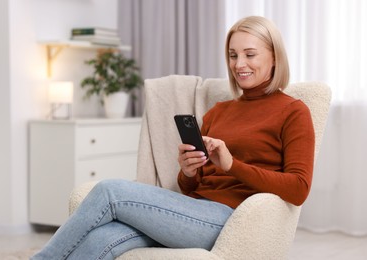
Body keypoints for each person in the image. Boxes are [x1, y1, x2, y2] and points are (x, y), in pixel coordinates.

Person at [32, 16, 314, 260]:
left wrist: (232, 165)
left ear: (274, 56)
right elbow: (192, 188)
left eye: (250, 54)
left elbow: (299, 189)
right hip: (193, 211)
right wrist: (189, 171)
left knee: (109, 191)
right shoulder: (220, 111)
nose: (239, 64)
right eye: (232, 55)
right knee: (102, 239)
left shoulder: (293, 111)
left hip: (231, 220)